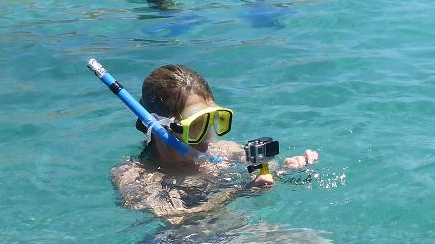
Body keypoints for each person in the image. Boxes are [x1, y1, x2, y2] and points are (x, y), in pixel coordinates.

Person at [113, 63, 318, 222]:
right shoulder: (136, 175)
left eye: (211, 122)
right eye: (196, 127)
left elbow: (264, 169)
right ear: (161, 129)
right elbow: (175, 218)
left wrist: (287, 170)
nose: (207, 139)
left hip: (239, 231)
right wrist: (241, 191)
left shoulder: (224, 151)